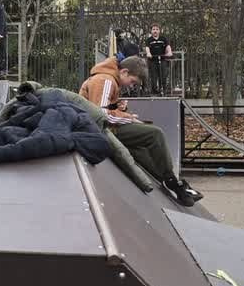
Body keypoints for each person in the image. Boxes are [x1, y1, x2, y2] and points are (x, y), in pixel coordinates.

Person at [78, 54, 204, 206]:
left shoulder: (108, 80)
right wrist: (129, 118)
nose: (131, 86)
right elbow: (100, 114)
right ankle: (171, 180)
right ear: (124, 72)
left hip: (101, 128)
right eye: (132, 82)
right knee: (154, 134)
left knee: (140, 151)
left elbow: (103, 107)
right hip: (100, 130)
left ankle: (164, 180)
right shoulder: (105, 80)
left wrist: (118, 108)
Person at [142, 24, 173, 96]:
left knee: (163, 76)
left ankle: (164, 90)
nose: (155, 31)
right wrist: (148, 53)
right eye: (153, 29)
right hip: (153, 60)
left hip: (162, 60)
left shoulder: (163, 39)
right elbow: (147, 48)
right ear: (151, 31)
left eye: (157, 29)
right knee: (153, 76)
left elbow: (168, 47)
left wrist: (169, 52)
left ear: (159, 31)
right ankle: (154, 91)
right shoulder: (149, 40)